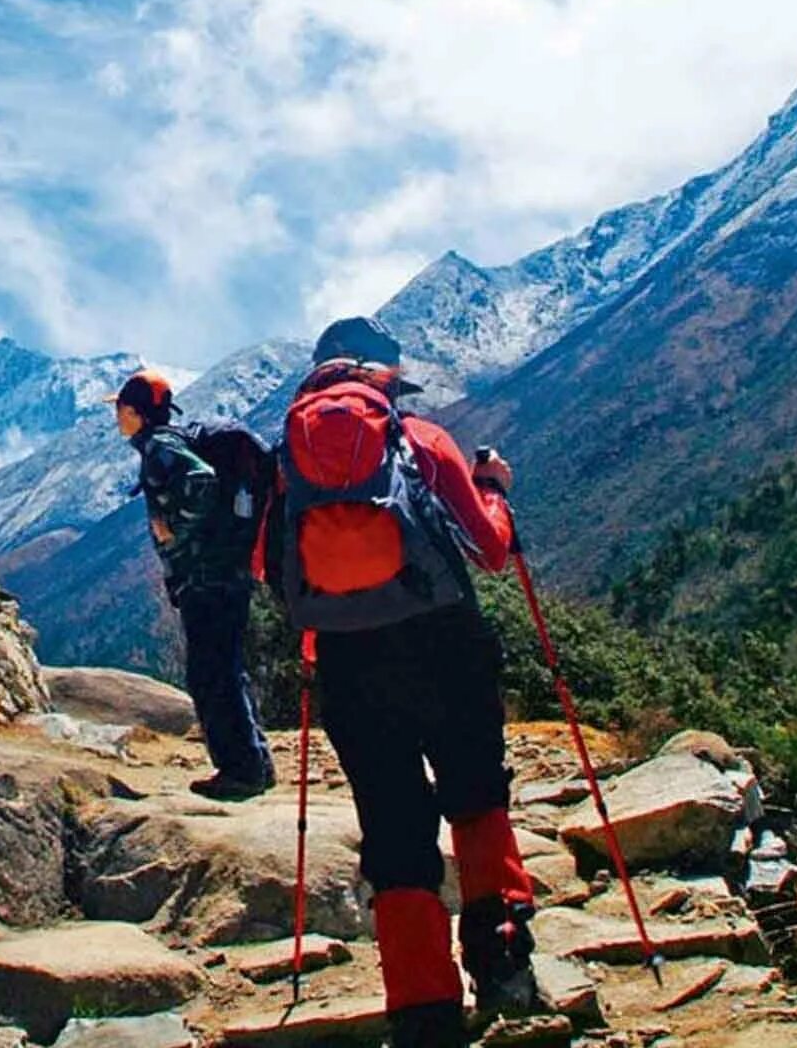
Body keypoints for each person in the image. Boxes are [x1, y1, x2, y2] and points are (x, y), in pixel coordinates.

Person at [264, 316, 537, 1047]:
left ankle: (422, 1010)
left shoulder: (286, 460)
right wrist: (494, 490)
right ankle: (504, 964)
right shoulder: (419, 438)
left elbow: (269, 571)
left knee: (393, 827)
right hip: (445, 642)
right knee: (476, 798)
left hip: (352, 662)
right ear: (387, 374)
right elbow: (489, 550)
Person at [109, 368, 276, 801]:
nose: (117, 418)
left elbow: (200, 481)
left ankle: (239, 771)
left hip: (206, 575)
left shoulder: (160, 446)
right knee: (227, 667)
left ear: (134, 412)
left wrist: (176, 529)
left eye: (120, 409)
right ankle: (255, 763)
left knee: (209, 672)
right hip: (229, 569)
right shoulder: (175, 439)